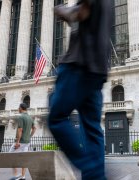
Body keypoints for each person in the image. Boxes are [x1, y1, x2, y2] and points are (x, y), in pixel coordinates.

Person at [48, 1, 113, 179]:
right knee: (92, 130)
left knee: (56, 118)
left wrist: (62, 9)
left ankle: (92, 169)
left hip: (78, 64)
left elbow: (81, 12)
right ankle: (96, 176)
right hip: (98, 70)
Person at [9, 103, 36, 180]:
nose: (18, 109)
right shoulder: (30, 118)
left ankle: (16, 175)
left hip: (20, 142)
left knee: (9, 156)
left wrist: (17, 142)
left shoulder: (21, 117)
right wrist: (30, 136)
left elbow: (20, 130)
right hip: (27, 142)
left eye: (19, 108)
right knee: (24, 158)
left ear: (21, 108)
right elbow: (34, 128)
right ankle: (23, 176)